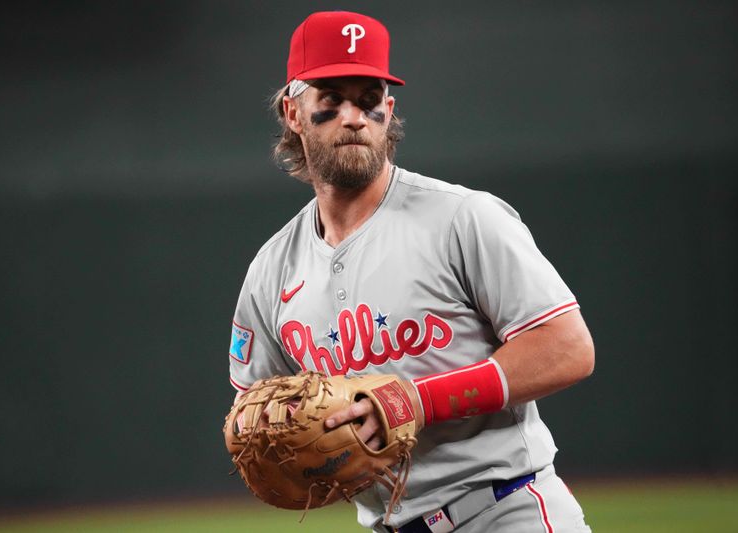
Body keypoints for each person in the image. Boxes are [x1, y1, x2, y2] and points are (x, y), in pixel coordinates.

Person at [228, 10, 594, 533]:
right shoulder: (272, 270)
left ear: (388, 109)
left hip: (505, 510)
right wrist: (272, 438)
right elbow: (253, 408)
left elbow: (568, 348)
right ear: (293, 112)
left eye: (369, 100)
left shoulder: (462, 218)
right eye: (331, 100)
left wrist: (414, 401)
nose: (353, 116)